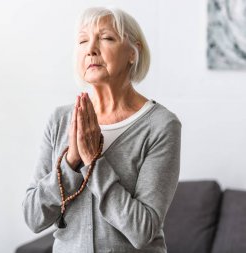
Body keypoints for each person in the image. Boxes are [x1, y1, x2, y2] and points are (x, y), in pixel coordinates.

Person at [22, 6, 182, 253]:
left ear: (133, 52)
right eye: (83, 41)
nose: (91, 49)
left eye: (106, 38)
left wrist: (93, 161)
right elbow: (33, 217)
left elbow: (142, 231)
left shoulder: (161, 125)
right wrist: (71, 162)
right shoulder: (60, 119)